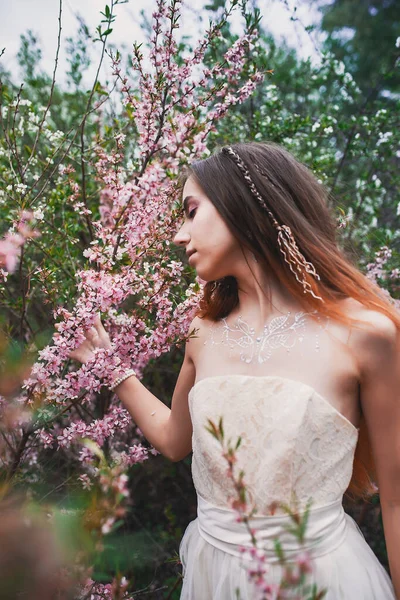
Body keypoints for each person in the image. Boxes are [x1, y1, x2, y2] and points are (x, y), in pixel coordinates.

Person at [70, 142, 400, 599]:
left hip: (321, 579)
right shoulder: (202, 333)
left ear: (245, 203)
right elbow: (172, 439)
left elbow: (397, 498)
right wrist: (112, 368)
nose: (178, 236)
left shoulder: (366, 333)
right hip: (215, 576)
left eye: (190, 211)